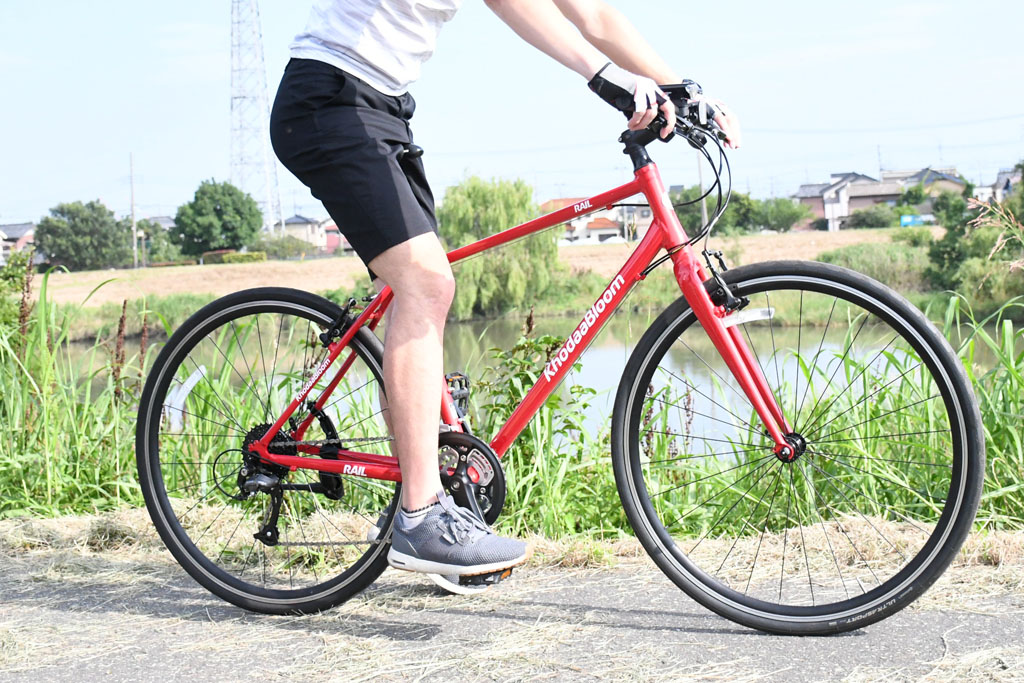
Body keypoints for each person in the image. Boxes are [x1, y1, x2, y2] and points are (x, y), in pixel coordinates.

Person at [269, 0, 740, 582]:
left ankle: (427, 500)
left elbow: (591, 13)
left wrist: (683, 88)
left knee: (416, 286)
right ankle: (421, 519)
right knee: (427, 285)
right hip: (329, 100)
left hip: (382, 109)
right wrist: (605, 76)